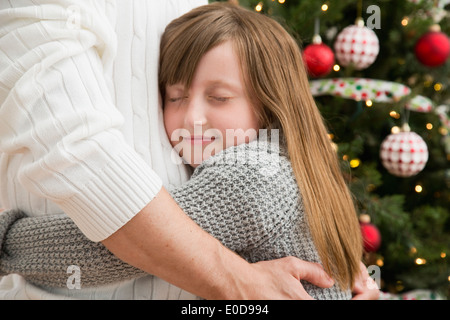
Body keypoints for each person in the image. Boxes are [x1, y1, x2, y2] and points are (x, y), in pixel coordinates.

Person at [0, 2, 380, 300]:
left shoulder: (249, 177)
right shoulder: (291, 167)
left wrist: (6, 243)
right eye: (175, 97)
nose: (192, 117)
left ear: (269, 105)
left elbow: (107, 253)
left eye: (219, 97)